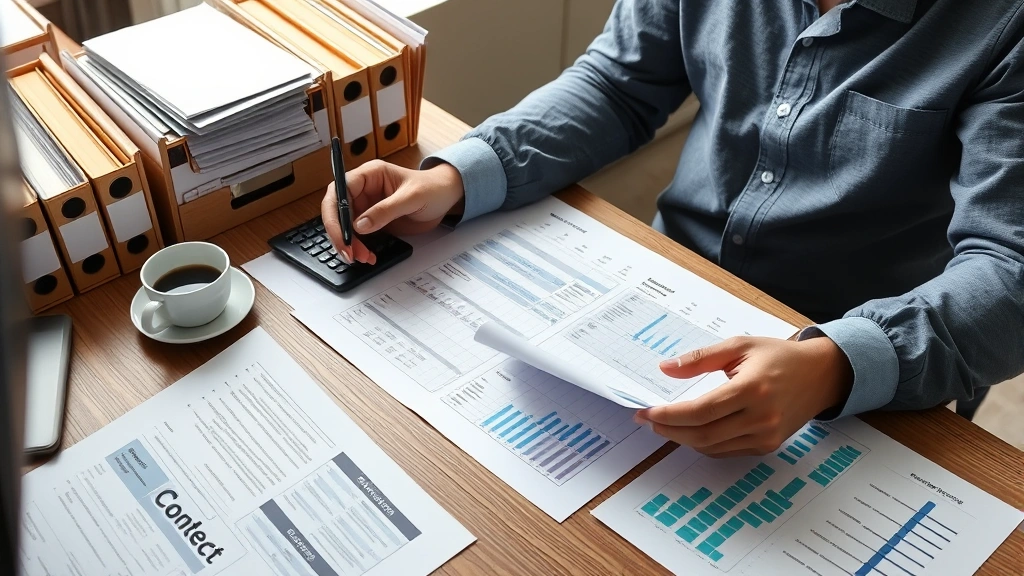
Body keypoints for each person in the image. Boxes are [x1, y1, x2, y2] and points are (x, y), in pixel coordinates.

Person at [322, 0, 1024, 457]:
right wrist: (455, 178)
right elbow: (617, 85)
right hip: (663, 299)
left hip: (864, 360)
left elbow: (1009, 270)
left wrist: (836, 363)